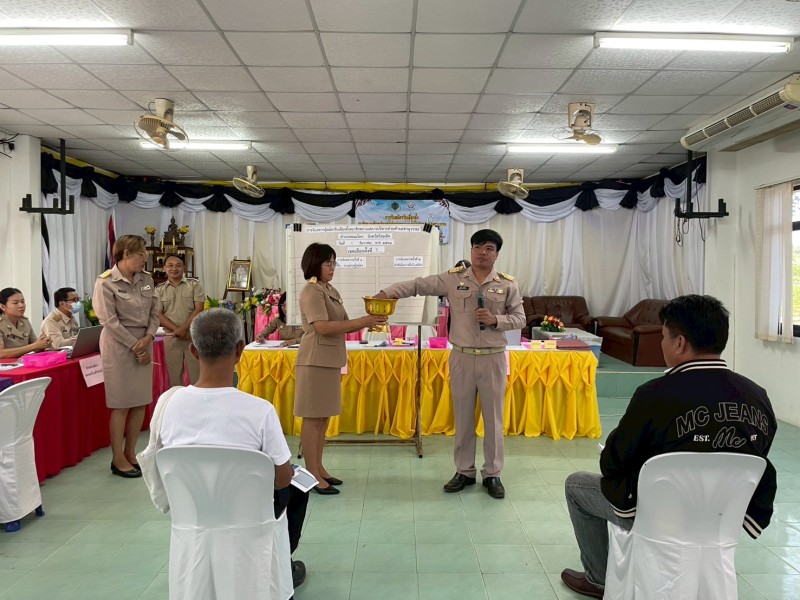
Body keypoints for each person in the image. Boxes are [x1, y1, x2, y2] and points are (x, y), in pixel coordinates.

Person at [560, 295, 777, 599]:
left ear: (679, 343)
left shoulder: (654, 395)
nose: (662, 344)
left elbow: (613, 462)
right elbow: (754, 462)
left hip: (658, 518)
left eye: (663, 336)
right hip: (721, 517)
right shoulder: (758, 397)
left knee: (576, 486)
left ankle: (598, 581)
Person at [154, 308, 308, 589]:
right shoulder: (260, 411)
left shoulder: (168, 405)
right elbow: (282, 479)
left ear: (194, 351)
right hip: (249, 517)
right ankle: (282, 564)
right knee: (298, 484)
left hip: (192, 513)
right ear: (240, 350)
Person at [376, 229, 525, 499]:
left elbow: (520, 318)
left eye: (489, 248)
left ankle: (492, 474)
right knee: (463, 418)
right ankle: (464, 471)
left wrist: (496, 320)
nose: (482, 252)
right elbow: (419, 285)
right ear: (471, 250)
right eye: (478, 247)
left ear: (496, 254)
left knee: (493, 420)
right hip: (461, 357)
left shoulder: (507, 285)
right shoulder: (453, 279)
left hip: (492, 358)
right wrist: (388, 292)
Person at [294, 243, 387, 495]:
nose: (332, 267)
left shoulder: (329, 290)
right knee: (313, 418)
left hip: (329, 360)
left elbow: (343, 322)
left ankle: (319, 468)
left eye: (334, 263)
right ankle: (312, 474)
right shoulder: (312, 291)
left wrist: (369, 320)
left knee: (323, 418)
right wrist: (365, 321)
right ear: (314, 264)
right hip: (315, 360)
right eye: (328, 263)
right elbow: (322, 327)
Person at [93, 235, 159, 479]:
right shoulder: (106, 282)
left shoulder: (146, 279)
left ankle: (131, 453)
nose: (145, 258)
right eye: (141, 254)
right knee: (121, 404)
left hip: (144, 341)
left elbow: (155, 312)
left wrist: (148, 338)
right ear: (126, 254)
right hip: (119, 346)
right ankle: (117, 458)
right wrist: (135, 345)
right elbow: (108, 321)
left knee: (140, 401)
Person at [155, 255, 204, 386]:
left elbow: (199, 309)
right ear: (164, 268)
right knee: (175, 381)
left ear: (184, 268)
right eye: (170, 265)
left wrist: (183, 329)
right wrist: (177, 330)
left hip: (192, 337)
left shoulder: (194, 285)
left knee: (198, 378)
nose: (174, 269)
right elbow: (158, 314)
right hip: (172, 339)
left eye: (178, 265)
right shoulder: (159, 290)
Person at [0, 288, 51, 358]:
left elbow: (36, 346)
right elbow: (1, 354)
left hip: (23, 362)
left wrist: (44, 343)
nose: (21, 305)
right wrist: (35, 346)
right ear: (3, 306)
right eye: (15, 303)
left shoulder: (24, 321)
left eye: (22, 302)